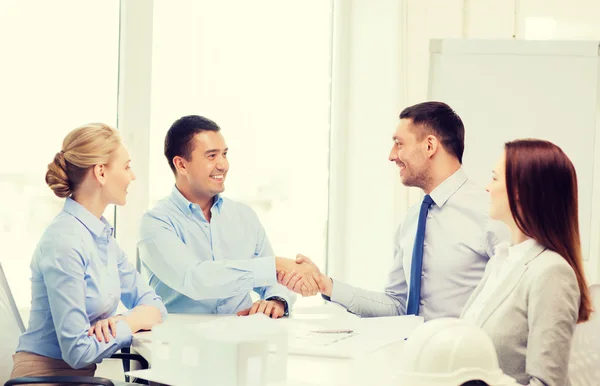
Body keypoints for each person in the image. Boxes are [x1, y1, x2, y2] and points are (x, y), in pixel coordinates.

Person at [278, 101, 509, 320]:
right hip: (412, 356)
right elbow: (398, 306)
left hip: (465, 357)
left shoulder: (490, 212)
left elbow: (513, 305)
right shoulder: (413, 219)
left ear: (429, 146)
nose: (391, 155)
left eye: (399, 143)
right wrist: (325, 284)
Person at [10, 123, 167, 379]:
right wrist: (131, 322)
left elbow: (155, 306)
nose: (132, 176)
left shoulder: (101, 237)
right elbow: (77, 352)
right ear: (101, 173)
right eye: (126, 166)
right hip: (44, 376)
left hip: (80, 377)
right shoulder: (64, 241)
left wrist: (122, 320)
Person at [138, 115, 319, 319]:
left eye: (224, 154)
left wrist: (276, 300)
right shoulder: (156, 223)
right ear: (181, 165)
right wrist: (274, 265)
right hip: (181, 344)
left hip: (242, 340)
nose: (223, 165)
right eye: (211, 156)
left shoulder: (244, 216)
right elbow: (195, 280)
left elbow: (274, 280)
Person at [461, 139, 592, 386]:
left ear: (520, 190)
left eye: (495, 178)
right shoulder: (500, 261)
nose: (487, 188)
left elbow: (547, 383)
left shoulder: (552, 272)